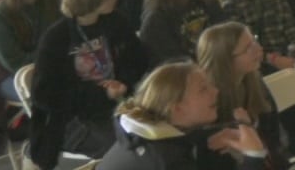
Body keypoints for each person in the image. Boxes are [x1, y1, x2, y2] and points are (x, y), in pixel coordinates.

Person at [29, 0, 148, 169]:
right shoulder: (57, 38)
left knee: (154, 136)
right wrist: (101, 94)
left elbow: (137, 61)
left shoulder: (116, 22)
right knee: (129, 149)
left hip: (118, 104)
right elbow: (46, 95)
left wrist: (124, 83)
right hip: (73, 118)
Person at [98, 62, 271, 170]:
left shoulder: (145, 135)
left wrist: (203, 140)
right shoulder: (166, 161)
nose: (216, 91)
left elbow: (176, 141)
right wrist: (253, 157)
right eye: (203, 89)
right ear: (177, 108)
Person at [196, 23, 287, 166]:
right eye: (248, 48)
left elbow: (273, 136)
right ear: (225, 60)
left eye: (254, 41)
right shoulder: (208, 103)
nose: (259, 49)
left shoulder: (255, 81)